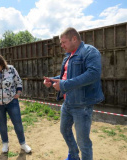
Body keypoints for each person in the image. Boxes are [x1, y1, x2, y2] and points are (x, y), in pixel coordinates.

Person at [43, 27, 104, 160]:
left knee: (83, 142)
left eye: (64, 42)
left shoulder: (89, 51)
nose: (62, 46)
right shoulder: (68, 56)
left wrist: (63, 85)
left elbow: (93, 75)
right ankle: (74, 156)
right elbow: (66, 76)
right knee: (64, 130)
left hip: (82, 105)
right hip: (68, 102)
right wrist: (53, 80)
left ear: (74, 38)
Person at [0, 54, 31, 153]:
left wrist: (18, 93)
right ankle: (5, 144)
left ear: (3, 64)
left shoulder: (11, 69)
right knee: (2, 125)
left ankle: (23, 144)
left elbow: (18, 82)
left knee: (17, 123)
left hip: (11, 101)